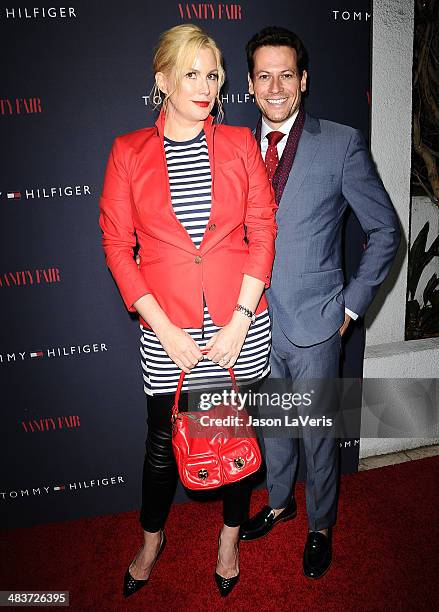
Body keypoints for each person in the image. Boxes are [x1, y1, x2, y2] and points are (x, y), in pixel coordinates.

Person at [99, 24, 277, 598]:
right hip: (166, 328)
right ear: (163, 80)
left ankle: (229, 535)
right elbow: (115, 244)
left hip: (239, 322)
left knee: (231, 433)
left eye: (213, 74)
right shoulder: (128, 152)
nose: (205, 86)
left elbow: (262, 229)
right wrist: (163, 326)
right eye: (191, 73)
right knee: (160, 443)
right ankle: (152, 538)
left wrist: (242, 318)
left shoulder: (239, 144)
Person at [239, 26, 401, 579]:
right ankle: (280, 502)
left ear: (303, 81)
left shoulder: (340, 143)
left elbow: (385, 231)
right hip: (254, 323)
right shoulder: (234, 147)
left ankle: (320, 525)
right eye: (265, 75)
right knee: (275, 427)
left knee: (319, 434)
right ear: (251, 84)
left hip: (318, 322)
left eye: (287, 74)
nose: (276, 85)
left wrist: (350, 309)